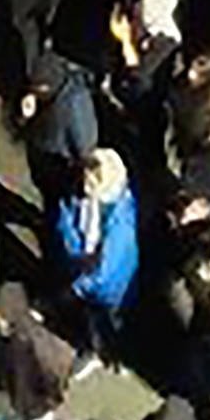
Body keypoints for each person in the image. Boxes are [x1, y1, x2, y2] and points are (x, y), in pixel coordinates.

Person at [52, 144, 140, 365]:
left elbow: (103, 272)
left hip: (106, 288)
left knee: (101, 318)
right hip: (81, 266)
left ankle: (98, 349)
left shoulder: (120, 226)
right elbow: (66, 214)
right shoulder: (81, 190)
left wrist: (74, 290)